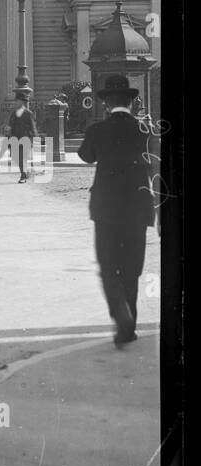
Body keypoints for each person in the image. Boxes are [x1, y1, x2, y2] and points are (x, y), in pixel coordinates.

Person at [78, 75, 155, 348]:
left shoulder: (97, 129)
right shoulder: (146, 130)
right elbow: (156, 170)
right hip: (138, 209)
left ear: (106, 104)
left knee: (109, 267)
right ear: (132, 102)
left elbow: (85, 156)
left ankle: (120, 315)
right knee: (132, 268)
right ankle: (129, 324)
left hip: (106, 210)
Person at [7, 99, 38, 182]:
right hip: (15, 138)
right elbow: (10, 125)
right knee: (16, 157)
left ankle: (23, 176)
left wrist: (35, 137)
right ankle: (26, 172)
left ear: (22, 102)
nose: (16, 103)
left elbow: (32, 126)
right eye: (16, 101)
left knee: (22, 158)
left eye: (18, 101)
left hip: (25, 138)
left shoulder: (28, 113)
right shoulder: (14, 113)